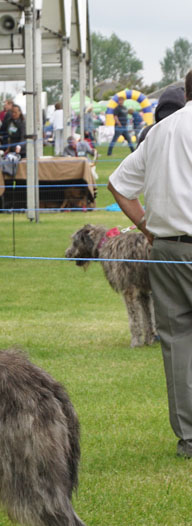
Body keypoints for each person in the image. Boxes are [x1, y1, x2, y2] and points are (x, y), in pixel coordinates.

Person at [107, 69, 192, 459]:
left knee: (176, 343)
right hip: (173, 245)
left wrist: (146, 226)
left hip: (168, 249)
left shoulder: (158, 132)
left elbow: (119, 185)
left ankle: (189, 437)